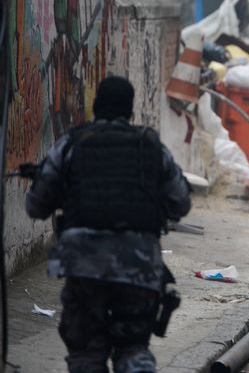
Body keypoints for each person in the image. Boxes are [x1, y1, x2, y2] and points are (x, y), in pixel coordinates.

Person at [26, 76, 191, 373]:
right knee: (133, 349)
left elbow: (35, 205)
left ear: (96, 105)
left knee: (87, 353)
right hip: (139, 264)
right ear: (130, 110)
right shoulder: (151, 145)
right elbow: (181, 202)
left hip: (84, 264)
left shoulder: (71, 144)